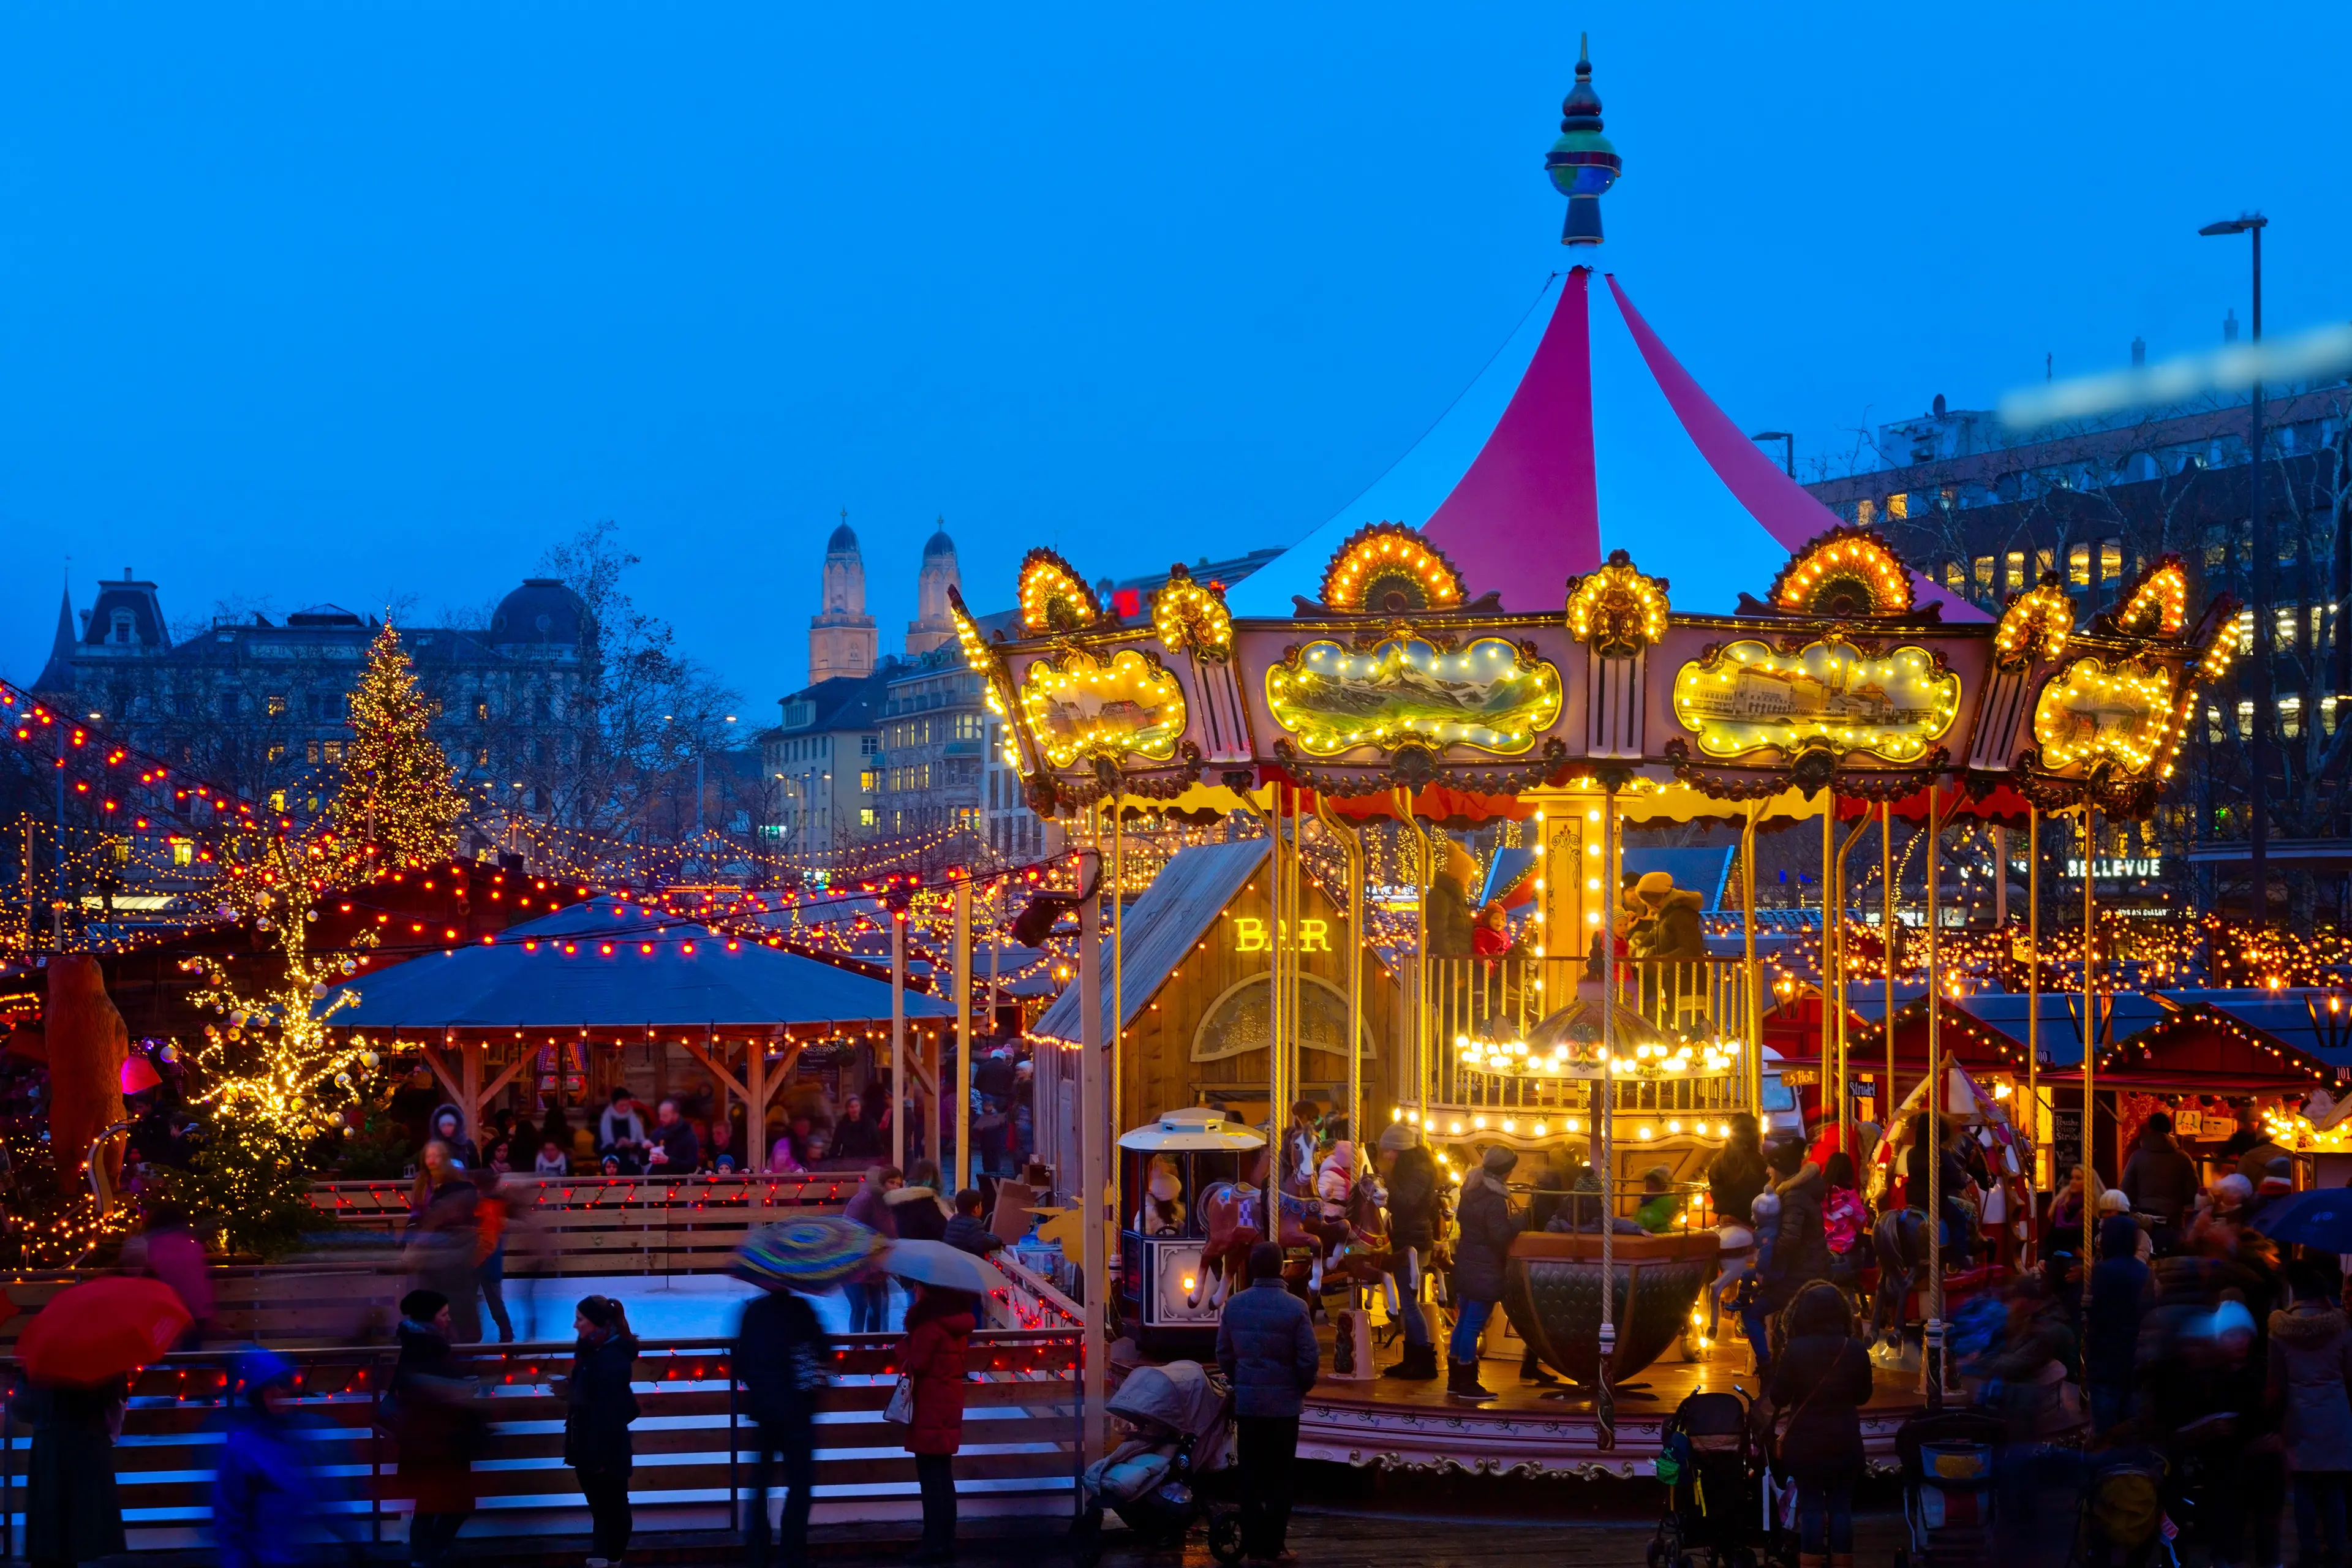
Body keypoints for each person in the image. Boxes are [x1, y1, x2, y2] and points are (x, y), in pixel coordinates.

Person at [1216, 1240, 1319, 1566]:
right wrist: (1301, 1386)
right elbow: (1308, 1356)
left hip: (1249, 1403)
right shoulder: (1296, 1307)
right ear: (1281, 1268)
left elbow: (1224, 1353)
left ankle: (1253, 1544)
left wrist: (1242, 1380)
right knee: (1280, 1475)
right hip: (1284, 1406)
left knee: (1250, 1473)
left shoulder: (1235, 1305)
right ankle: (1274, 1545)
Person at [1766, 1281, 1873, 1568]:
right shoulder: (1855, 1349)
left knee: (1812, 1507)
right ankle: (1842, 1562)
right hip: (1845, 1440)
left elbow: (1778, 1396)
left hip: (1806, 1444)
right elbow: (1863, 1396)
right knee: (1841, 1508)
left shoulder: (1795, 1349)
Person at [736, 1265, 832, 1568]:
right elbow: (824, 1351)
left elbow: (742, 1362)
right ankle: (792, 1552)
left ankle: (757, 1549)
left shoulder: (753, 1313)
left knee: (761, 1480)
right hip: (798, 1412)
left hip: (765, 1411)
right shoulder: (803, 1311)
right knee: (799, 1483)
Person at [214, 1349, 341, 1568]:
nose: (280, 1393)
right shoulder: (243, 1449)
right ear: (257, 1396)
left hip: (306, 1556)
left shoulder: (300, 1437)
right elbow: (229, 1520)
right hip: (266, 1559)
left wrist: (350, 1537)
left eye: (283, 1385)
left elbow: (324, 1492)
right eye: (271, 1387)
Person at [2269, 1259, 2352, 1568]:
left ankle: (2308, 1550)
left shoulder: (2279, 1329)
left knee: (2303, 1483)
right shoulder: (2341, 1325)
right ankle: (2337, 1548)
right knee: (2334, 1484)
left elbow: (2275, 1380)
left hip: (2298, 1412)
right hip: (2336, 1411)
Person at [393, 1288, 481, 1568]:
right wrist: (462, 1390)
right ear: (430, 1318)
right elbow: (428, 1390)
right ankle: (428, 1557)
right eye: (444, 1314)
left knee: (430, 1505)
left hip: (430, 1442)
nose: (449, 1319)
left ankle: (425, 1557)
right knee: (454, 1504)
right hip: (439, 1441)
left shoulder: (421, 1344)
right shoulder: (426, 1347)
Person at [897, 1282, 978, 1564]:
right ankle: (946, 1541)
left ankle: (932, 1544)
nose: (915, 1290)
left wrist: (903, 1348)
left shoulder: (930, 1326)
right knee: (943, 1477)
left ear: (929, 1292)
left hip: (930, 1405)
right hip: (948, 1403)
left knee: (931, 1480)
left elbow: (916, 1364)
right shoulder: (955, 1324)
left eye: (919, 1286)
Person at [19, 1371, 127, 1567]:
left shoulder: (41, 1362)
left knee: (50, 1528)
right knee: (76, 1528)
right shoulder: (101, 1359)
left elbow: (23, 1408)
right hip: (87, 1445)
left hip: (49, 1448)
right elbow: (115, 1395)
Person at [565, 1295, 639, 1568]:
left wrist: (597, 1458)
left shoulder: (609, 1359)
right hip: (591, 1447)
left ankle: (607, 1559)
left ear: (597, 1323)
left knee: (611, 1507)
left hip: (602, 1452)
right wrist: (571, 1392)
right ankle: (607, 1558)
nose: (575, 1326)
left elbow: (612, 1409)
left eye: (580, 1319)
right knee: (604, 1508)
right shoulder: (592, 1352)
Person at [1447, 1145, 1520, 1402]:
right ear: (1507, 1171)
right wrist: (1521, 1222)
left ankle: (1455, 1379)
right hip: (1484, 1267)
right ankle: (1468, 1381)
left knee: (1464, 1321)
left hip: (1467, 1261)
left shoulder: (1471, 1190)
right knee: (1473, 1325)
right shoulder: (1494, 1199)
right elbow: (1499, 1236)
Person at [1755, 1137, 1829, 1373]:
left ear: (1781, 1170)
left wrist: (1767, 1261)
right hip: (1808, 1268)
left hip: (1800, 1273)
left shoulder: (1793, 1196)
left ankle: (1770, 1367)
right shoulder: (1798, 1191)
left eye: (1771, 1167)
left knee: (1753, 1311)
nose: (1768, 1171)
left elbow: (1789, 1239)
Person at [1377, 1122, 1441, 1381]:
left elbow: (1407, 1203)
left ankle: (1423, 1359)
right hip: (1409, 1237)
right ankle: (1412, 1360)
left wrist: (1389, 1180)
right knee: (1406, 1302)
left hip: (1413, 1242)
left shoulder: (1417, 1171)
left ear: (1400, 1149)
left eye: (1390, 1151)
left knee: (1409, 1303)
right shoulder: (1414, 1169)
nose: (1388, 1156)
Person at [405, 1140, 483, 1343]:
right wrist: (414, 1235)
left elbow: (460, 1216)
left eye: (436, 1155)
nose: (432, 1160)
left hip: (450, 1250)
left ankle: (460, 1344)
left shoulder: (457, 1188)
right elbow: (418, 1213)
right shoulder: (422, 1184)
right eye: (428, 1156)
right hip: (434, 1249)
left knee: (457, 1303)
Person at [2085, 1212, 2152, 1434]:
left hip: (2106, 1357)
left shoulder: (2102, 1272)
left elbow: (2096, 1310)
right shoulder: (2143, 1272)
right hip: (2134, 1357)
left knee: (2105, 1429)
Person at [1706, 1115, 1769, 1336]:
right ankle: (1756, 1309)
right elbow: (1761, 1194)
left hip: (1724, 1220)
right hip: (1747, 1220)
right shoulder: (1757, 1163)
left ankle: (1714, 1319)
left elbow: (1714, 1187)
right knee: (1772, 1257)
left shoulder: (1719, 1160)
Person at [1904, 1112, 1975, 1270]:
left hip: (1913, 1199)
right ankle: (1959, 1256)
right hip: (1933, 1200)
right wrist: (1963, 1181)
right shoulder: (1941, 1155)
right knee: (1959, 1218)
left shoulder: (1911, 1154)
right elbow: (1954, 1179)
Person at [2119, 1110, 2198, 1251]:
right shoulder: (2183, 1157)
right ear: (2170, 1129)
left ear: (2151, 1128)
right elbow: (2193, 1191)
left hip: (2144, 1217)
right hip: (2174, 1219)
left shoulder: (2137, 1156)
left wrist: (2135, 1206)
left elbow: (2126, 1188)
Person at [842, 1166, 903, 1333]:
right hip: (855, 1265)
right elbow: (850, 1230)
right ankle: (856, 1346)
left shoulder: (892, 1204)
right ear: (882, 1183)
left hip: (878, 1267)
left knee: (878, 1308)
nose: (896, 1187)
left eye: (899, 1184)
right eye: (892, 1183)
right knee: (860, 1306)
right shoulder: (864, 1201)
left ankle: (876, 1347)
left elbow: (893, 1231)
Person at [471, 1170, 515, 1344]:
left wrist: (472, 1260)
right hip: (488, 1259)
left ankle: (504, 1337)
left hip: (484, 1260)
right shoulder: (491, 1204)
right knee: (494, 1302)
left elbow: (488, 1239)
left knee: (490, 1301)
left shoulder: (486, 1206)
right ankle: (506, 1336)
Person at [1820, 1152, 1869, 1295]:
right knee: (1867, 1248)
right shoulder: (1849, 1194)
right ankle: (1861, 1287)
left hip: (1822, 1244)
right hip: (1843, 1246)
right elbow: (1861, 1220)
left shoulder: (1820, 1192)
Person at [891, 1160, 951, 1243]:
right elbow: (942, 1229)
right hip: (927, 1248)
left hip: (905, 1247)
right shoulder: (927, 1202)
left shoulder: (899, 1200)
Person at [944, 1188, 1005, 1257]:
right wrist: (999, 1240)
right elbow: (985, 1245)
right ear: (976, 1209)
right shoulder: (973, 1224)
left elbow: (980, 1237)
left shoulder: (953, 1220)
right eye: (981, 1205)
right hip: (967, 1262)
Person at [646, 1098, 701, 1174]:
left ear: (675, 1116)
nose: (661, 1119)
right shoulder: (657, 1132)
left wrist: (668, 1161)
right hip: (655, 1182)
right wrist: (645, 1149)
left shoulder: (688, 1136)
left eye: (665, 1116)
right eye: (660, 1115)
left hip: (677, 1183)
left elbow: (692, 1166)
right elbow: (644, 1161)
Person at [598, 1088, 649, 1170]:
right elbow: (598, 1147)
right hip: (612, 1167)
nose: (625, 1108)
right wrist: (617, 1146)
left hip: (632, 1165)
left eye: (627, 1105)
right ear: (614, 1105)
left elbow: (642, 1146)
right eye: (622, 1105)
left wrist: (632, 1145)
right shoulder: (606, 1120)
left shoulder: (634, 1119)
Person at [426, 1103, 480, 1169]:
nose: (446, 1128)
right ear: (438, 1127)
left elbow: (476, 1171)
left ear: (456, 1125)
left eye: (450, 1125)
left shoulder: (467, 1145)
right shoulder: (432, 1148)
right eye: (443, 1125)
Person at [832, 1093, 883, 1161]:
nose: (855, 1109)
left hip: (867, 1161)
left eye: (857, 1106)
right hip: (848, 1162)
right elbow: (835, 1146)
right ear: (847, 1109)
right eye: (851, 1107)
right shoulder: (842, 1125)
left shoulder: (870, 1123)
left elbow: (877, 1144)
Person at [1634, 1166, 1679, 1232]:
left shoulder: (1663, 1206)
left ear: (1664, 1189)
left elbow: (1644, 1224)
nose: (1646, 1191)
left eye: (1651, 1188)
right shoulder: (1649, 1204)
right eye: (1646, 1187)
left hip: (1656, 1237)